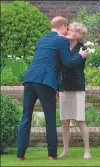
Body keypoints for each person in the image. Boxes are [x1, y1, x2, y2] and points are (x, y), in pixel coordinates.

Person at [16, 16, 89, 161]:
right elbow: (67, 63)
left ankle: (20, 155)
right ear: (62, 27)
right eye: (66, 28)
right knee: (50, 118)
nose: (67, 31)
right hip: (45, 81)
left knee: (25, 118)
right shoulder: (61, 40)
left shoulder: (41, 39)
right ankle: (52, 155)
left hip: (29, 79)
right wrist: (80, 56)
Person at [58, 22, 91, 159]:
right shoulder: (63, 46)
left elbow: (71, 64)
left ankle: (87, 151)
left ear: (78, 35)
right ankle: (65, 151)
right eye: (69, 30)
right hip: (64, 86)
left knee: (80, 120)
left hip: (77, 86)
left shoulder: (83, 48)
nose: (69, 32)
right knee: (64, 120)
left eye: (72, 31)